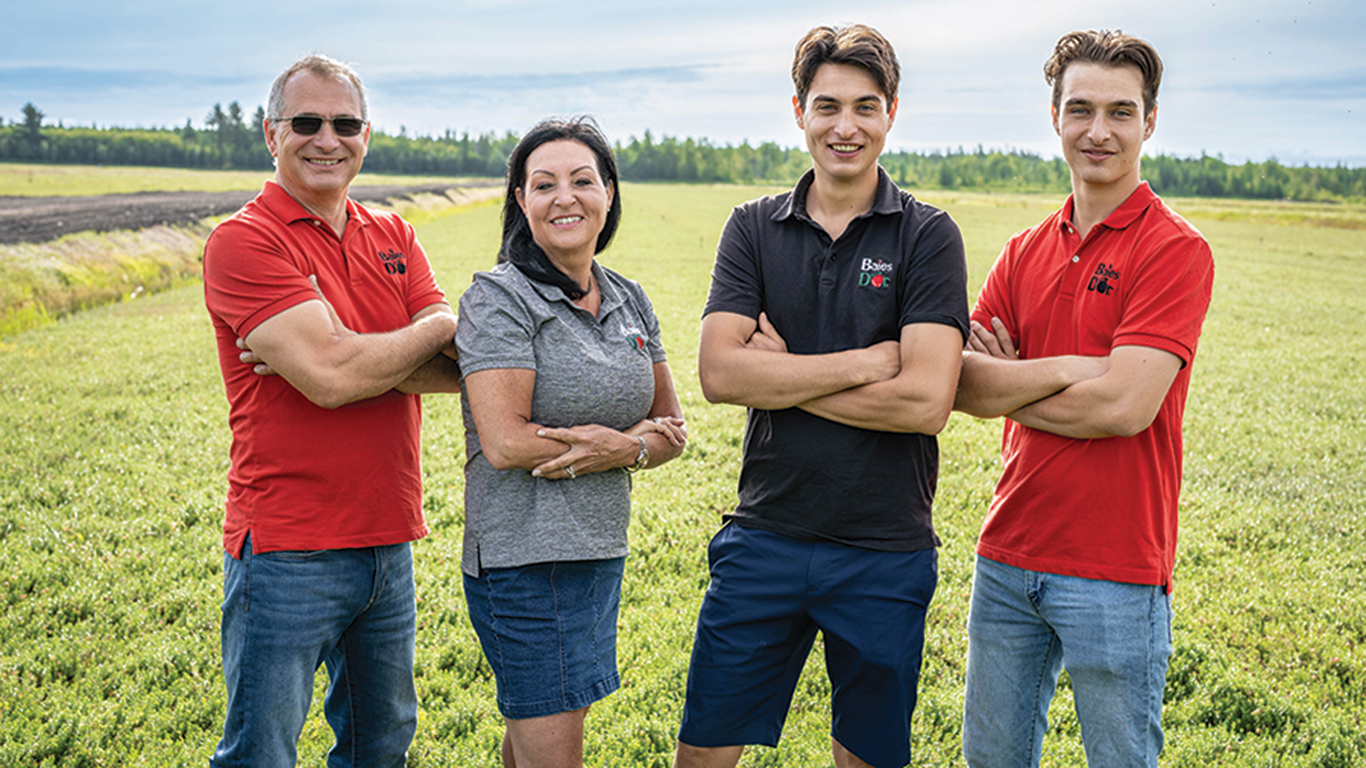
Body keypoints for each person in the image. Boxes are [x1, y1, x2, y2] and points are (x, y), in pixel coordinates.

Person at [673, 24, 969, 768]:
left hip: (884, 548)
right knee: (702, 753)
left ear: (891, 114)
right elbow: (720, 375)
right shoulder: (751, 226)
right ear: (799, 110)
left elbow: (926, 402)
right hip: (764, 534)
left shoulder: (929, 236)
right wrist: (868, 361)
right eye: (828, 106)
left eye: (866, 107)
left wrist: (785, 377)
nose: (847, 127)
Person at [953, 30, 1215, 767]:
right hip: (1006, 557)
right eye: (1081, 109)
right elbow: (963, 384)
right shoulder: (1023, 249)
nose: (1098, 131)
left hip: (1117, 566)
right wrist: (1077, 367)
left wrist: (1016, 380)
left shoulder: (1174, 248)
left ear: (1150, 121)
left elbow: (1124, 409)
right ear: (1055, 116)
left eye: (1121, 112)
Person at [202, 54, 461, 767]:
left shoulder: (394, 234)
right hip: (288, 547)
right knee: (261, 752)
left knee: (381, 748)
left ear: (366, 136)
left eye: (345, 123)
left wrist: (355, 355)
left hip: (388, 539)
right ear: (271, 134)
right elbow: (331, 378)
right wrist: (431, 332)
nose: (327, 139)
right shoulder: (244, 240)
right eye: (306, 122)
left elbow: (447, 376)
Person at [455, 116, 688, 768]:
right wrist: (629, 443)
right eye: (544, 184)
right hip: (525, 563)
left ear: (608, 193)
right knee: (553, 743)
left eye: (583, 180)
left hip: (597, 552)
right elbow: (504, 441)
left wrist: (624, 449)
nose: (566, 197)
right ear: (521, 201)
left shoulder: (629, 298)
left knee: (542, 730)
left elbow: (673, 426)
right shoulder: (501, 298)